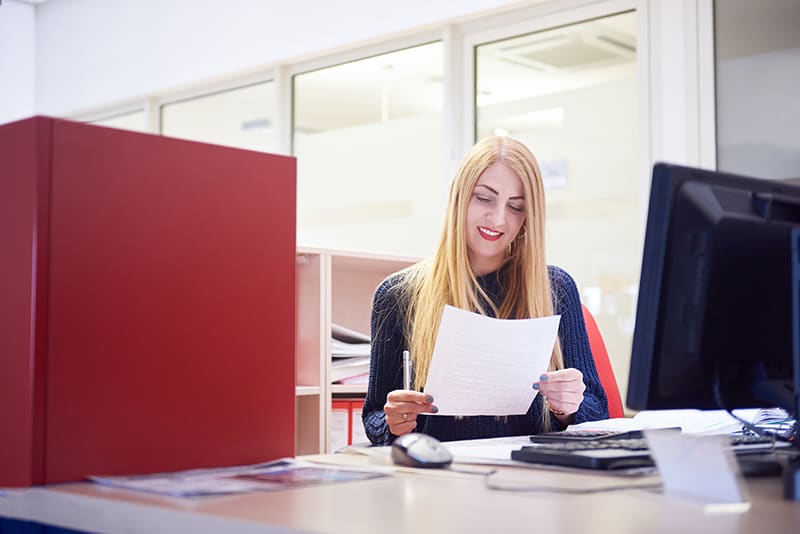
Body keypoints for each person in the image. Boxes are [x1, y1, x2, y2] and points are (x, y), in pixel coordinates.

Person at [362, 136, 608, 446]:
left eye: (516, 207)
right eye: (484, 198)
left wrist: (569, 407)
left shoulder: (554, 288)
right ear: (459, 198)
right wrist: (394, 423)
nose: (498, 218)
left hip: (530, 477)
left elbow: (598, 412)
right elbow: (373, 415)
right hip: (441, 478)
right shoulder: (399, 294)